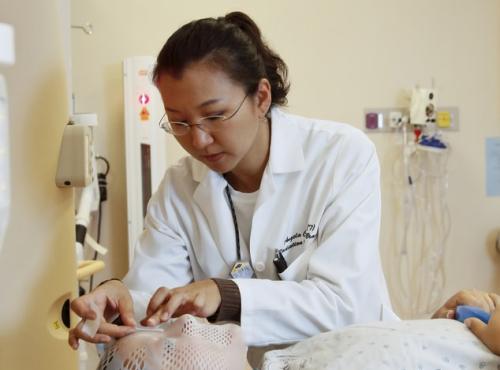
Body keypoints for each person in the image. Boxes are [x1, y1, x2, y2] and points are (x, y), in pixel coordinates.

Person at [69, 10, 397, 354]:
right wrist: (120, 300)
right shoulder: (178, 188)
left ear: (261, 98)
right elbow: (156, 305)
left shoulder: (341, 156)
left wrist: (226, 295)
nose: (198, 140)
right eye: (179, 123)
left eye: (214, 116)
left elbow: (345, 304)